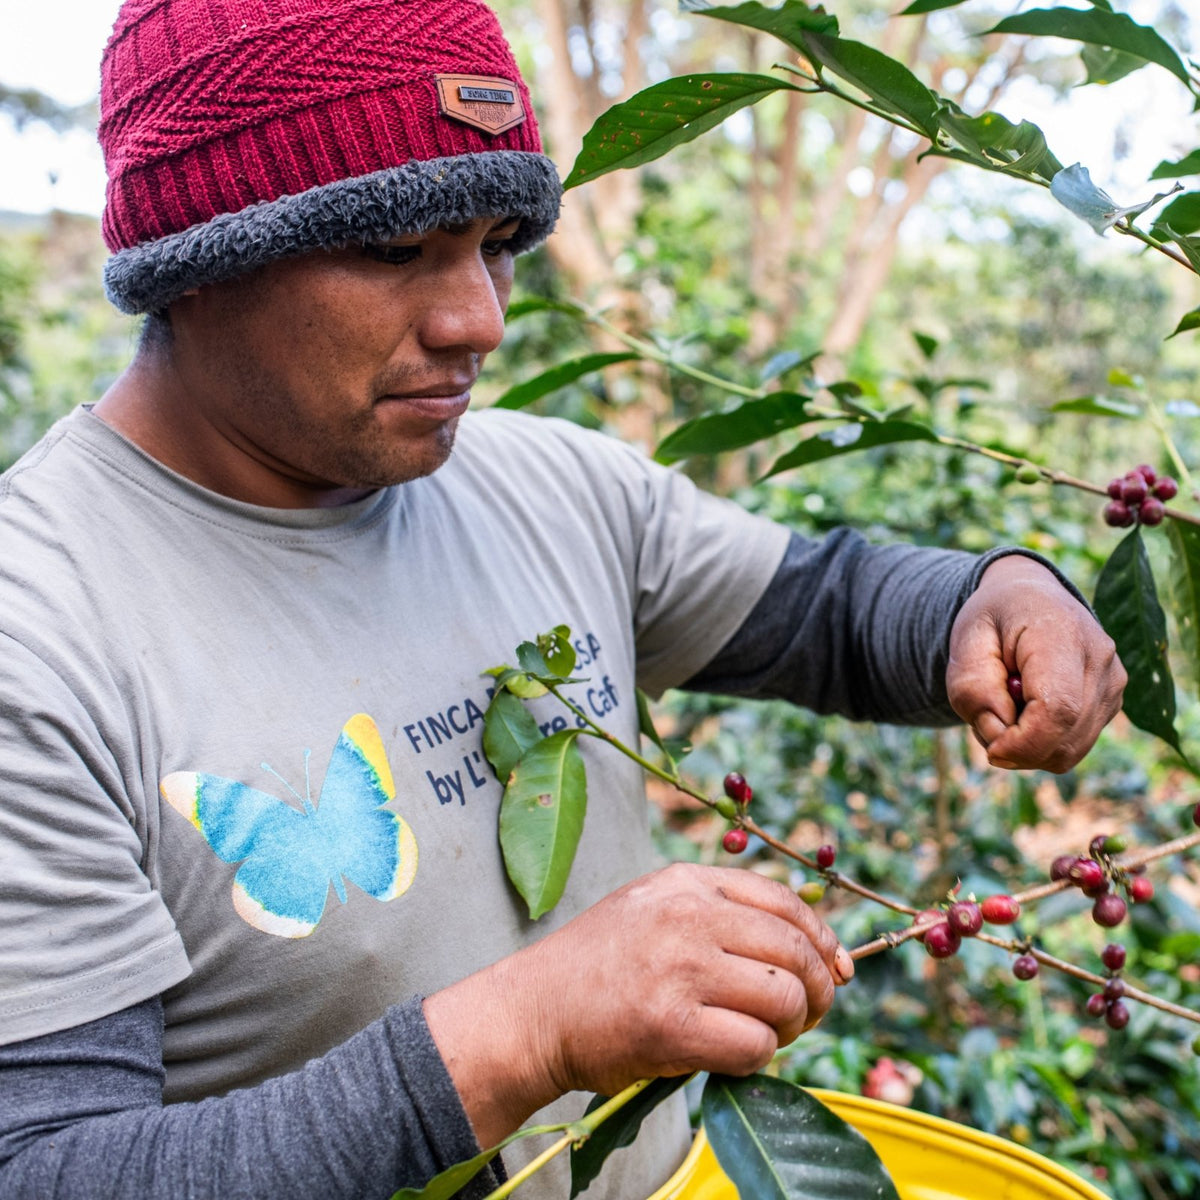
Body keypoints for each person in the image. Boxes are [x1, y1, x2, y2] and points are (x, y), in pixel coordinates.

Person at [0, 1, 1124, 1197]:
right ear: (197, 254)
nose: (477, 321)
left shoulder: (547, 483)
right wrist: (523, 1034)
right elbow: (49, 1168)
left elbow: (823, 606)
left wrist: (991, 598)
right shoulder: (44, 634)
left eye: (494, 244)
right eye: (394, 250)